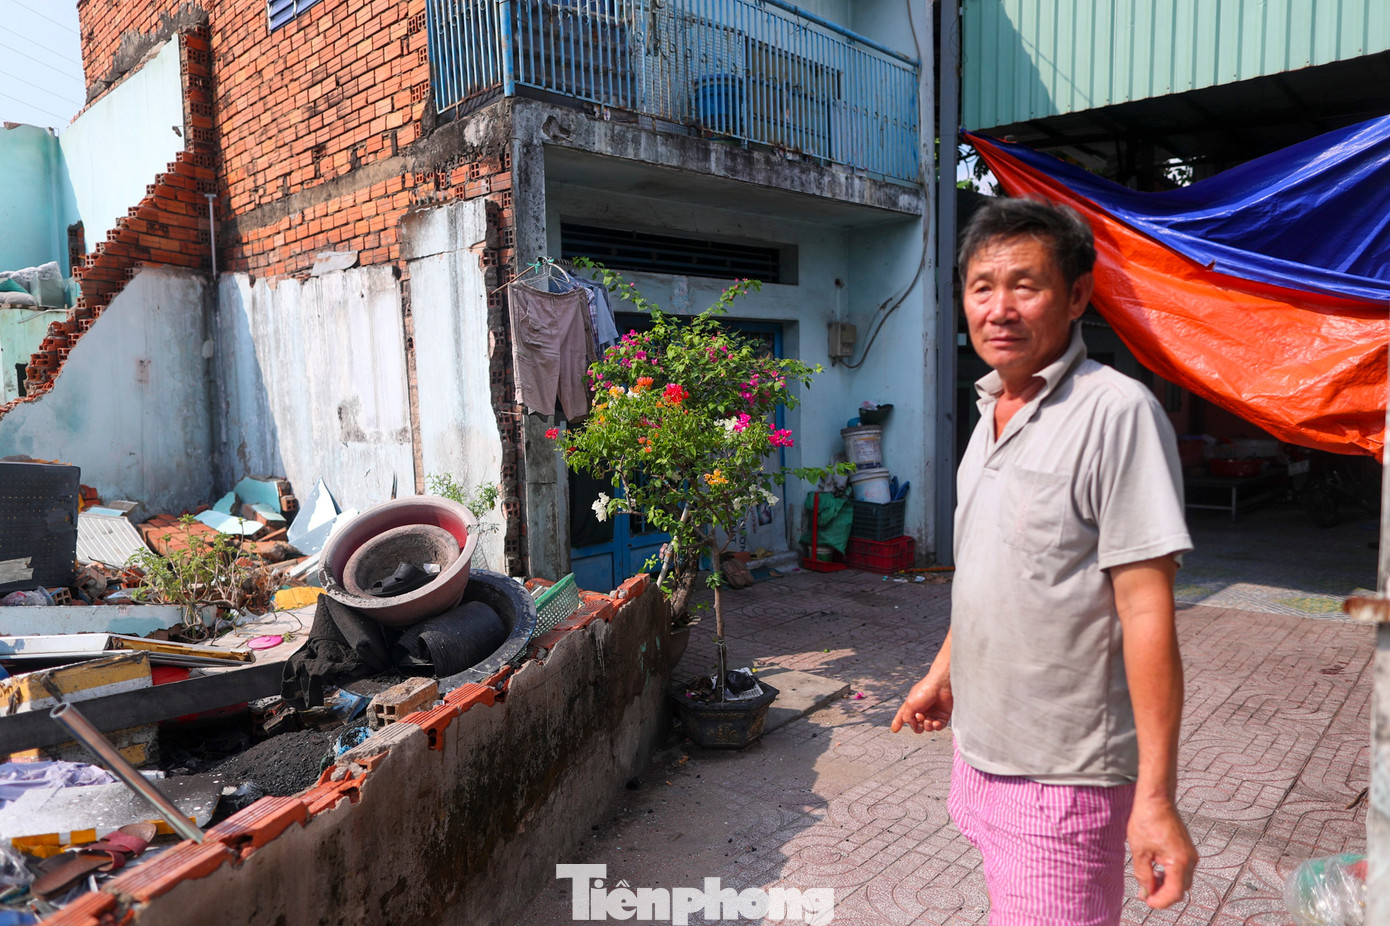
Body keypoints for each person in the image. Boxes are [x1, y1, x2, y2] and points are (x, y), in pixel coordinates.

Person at [893, 197, 1197, 923]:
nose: (999, 308)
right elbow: (994, 574)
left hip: (1064, 776)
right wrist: (943, 676)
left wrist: (1155, 798)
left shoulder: (1115, 414)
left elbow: (1148, 610)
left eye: (1024, 285)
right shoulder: (989, 414)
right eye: (981, 286)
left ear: (1078, 296)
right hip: (982, 752)